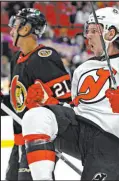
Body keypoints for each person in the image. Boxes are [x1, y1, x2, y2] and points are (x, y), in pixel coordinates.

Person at [21, 7, 119, 180]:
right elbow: (74, 109)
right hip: (78, 131)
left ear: (111, 33)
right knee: (36, 116)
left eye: (94, 30)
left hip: (111, 144)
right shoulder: (83, 68)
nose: (88, 35)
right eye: (87, 30)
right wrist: (47, 101)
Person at [4, 8, 71, 180]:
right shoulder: (16, 58)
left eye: (15, 24)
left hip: (38, 141)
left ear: (25, 29)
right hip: (19, 141)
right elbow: (17, 102)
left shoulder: (44, 57)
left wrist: (45, 101)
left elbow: (66, 102)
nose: (11, 29)